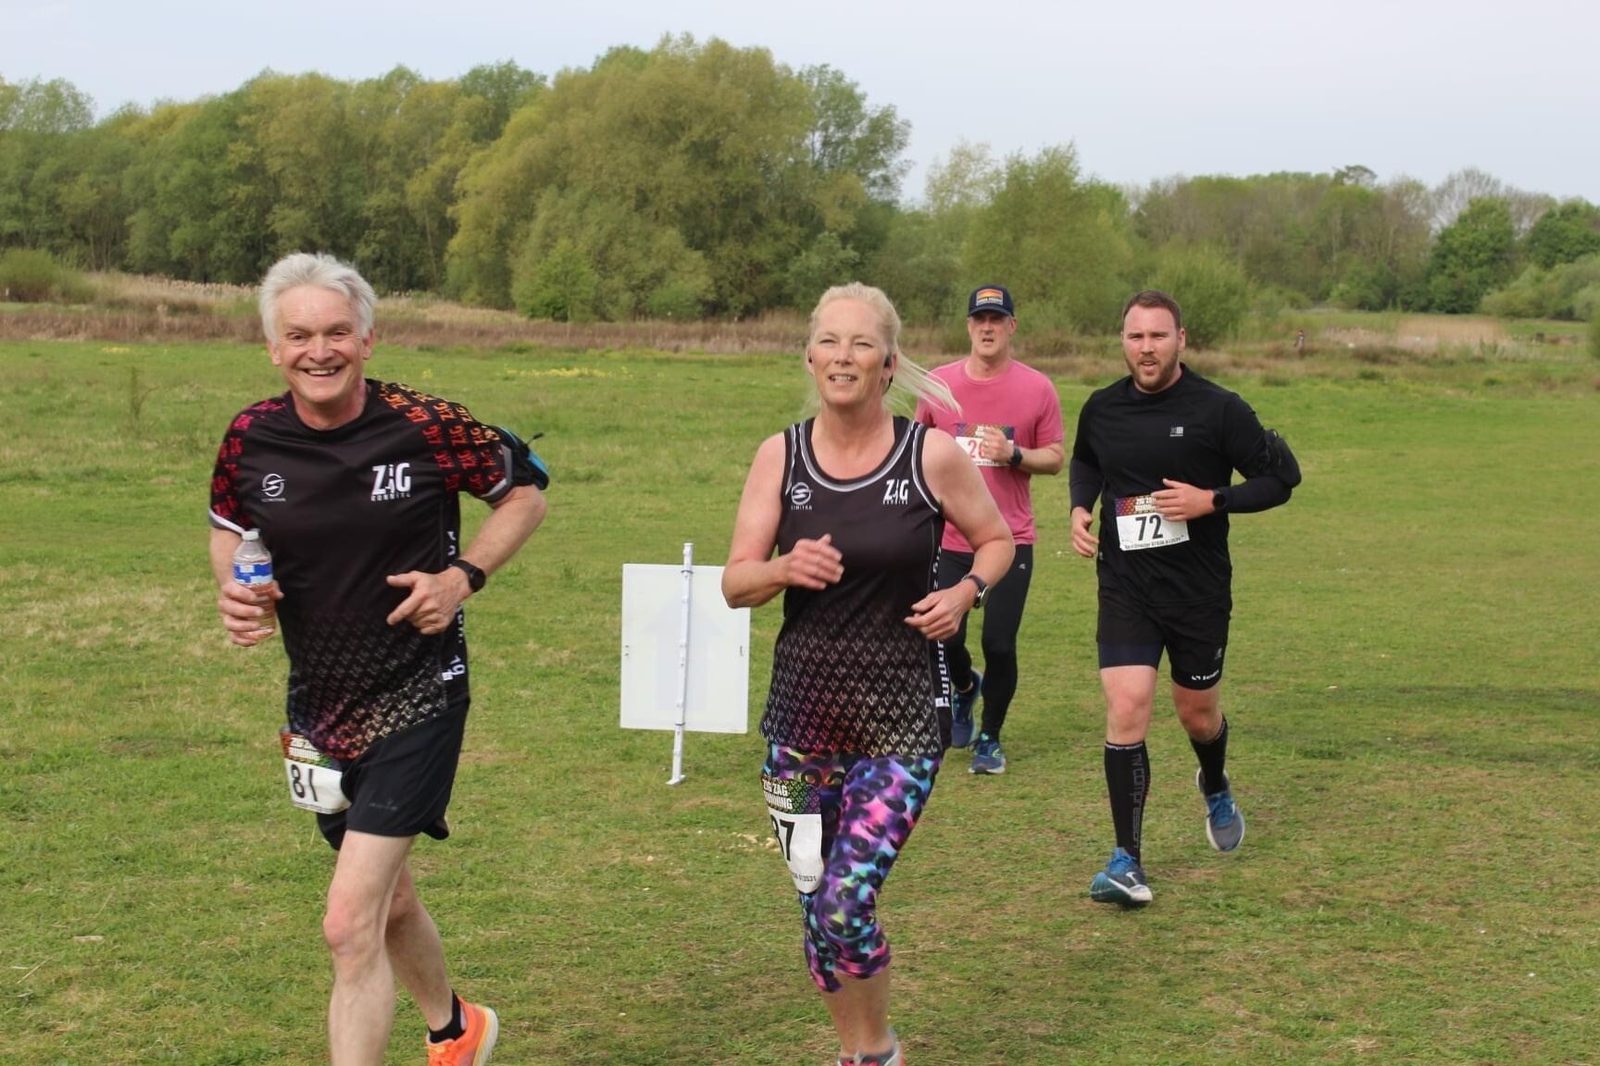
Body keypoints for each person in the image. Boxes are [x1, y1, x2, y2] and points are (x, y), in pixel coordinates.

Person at [208, 252, 547, 1064]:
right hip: (320, 710)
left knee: (346, 922)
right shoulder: (251, 437)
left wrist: (463, 577)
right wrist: (233, 588)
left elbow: (526, 490)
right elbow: (229, 525)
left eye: (335, 333)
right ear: (272, 347)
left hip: (420, 695)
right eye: (298, 336)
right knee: (389, 902)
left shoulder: (427, 425)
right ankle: (455, 1029)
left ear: (367, 338)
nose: (317, 351)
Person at [723, 283, 1013, 1065]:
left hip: (899, 723)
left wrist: (964, 592)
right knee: (816, 903)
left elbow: (996, 541)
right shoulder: (778, 456)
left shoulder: (931, 455)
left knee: (848, 900)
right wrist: (784, 567)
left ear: (888, 365)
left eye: (860, 345)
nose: (842, 357)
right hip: (800, 728)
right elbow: (734, 584)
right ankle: (858, 1052)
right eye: (829, 342)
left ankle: (876, 1049)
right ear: (810, 357)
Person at [1068, 289, 1300, 907]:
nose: (1146, 348)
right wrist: (1078, 509)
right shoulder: (1101, 408)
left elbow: (1281, 480)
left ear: (1181, 341)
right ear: (1123, 340)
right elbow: (1087, 462)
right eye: (1135, 336)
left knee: (1196, 713)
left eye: (1158, 336)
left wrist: (1212, 501)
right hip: (1126, 588)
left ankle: (1216, 781)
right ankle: (1126, 861)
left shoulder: (1219, 410)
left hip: (1197, 593)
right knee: (1127, 706)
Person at [915, 285, 1063, 774]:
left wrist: (1014, 454)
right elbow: (917, 451)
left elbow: (1056, 457)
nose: (987, 327)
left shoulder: (1037, 388)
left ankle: (990, 738)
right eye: (979, 319)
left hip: (1009, 538)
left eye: (997, 319)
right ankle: (963, 688)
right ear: (968, 326)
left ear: (1011, 327)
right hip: (950, 538)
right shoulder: (938, 384)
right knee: (942, 634)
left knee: (999, 642)